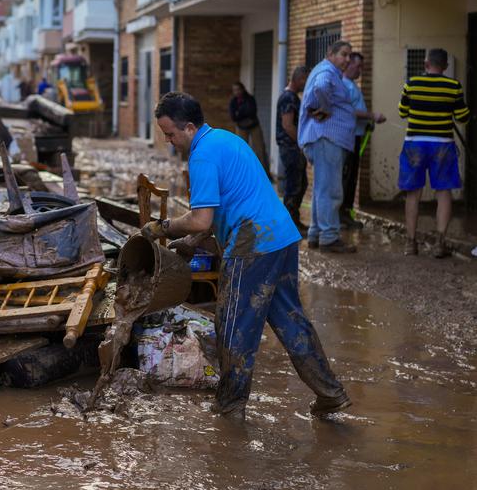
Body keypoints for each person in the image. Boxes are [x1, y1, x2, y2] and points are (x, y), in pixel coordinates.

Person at [142, 92, 350, 420]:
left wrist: (162, 227)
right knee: (291, 320)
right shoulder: (226, 139)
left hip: (252, 244)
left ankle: (230, 406)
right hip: (281, 237)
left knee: (234, 326)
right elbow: (223, 209)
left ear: (190, 128)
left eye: (170, 134)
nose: (169, 141)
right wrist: (192, 240)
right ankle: (331, 394)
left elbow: (201, 218)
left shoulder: (202, 157)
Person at [397, 48, 471, 258]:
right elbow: (462, 117)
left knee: (413, 193)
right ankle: (440, 243)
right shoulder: (453, 86)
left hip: (414, 145)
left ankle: (410, 244)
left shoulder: (411, 84)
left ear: (426, 63)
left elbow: (402, 112)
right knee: (444, 192)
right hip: (442, 146)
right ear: (445, 66)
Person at [299, 40, 357, 253]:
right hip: (327, 139)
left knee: (321, 189)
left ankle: (316, 233)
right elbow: (321, 87)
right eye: (344, 54)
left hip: (324, 139)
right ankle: (329, 237)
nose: (347, 59)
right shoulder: (327, 71)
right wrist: (325, 107)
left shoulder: (326, 70)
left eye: (349, 56)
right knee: (331, 190)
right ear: (330, 54)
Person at [341, 52, 386, 229]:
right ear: (349, 65)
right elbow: (348, 111)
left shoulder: (352, 85)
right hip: (348, 138)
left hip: (357, 135)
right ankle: (342, 215)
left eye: (362, 67)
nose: (360, 70)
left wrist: (368, 121)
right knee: (347, 176)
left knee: (352, 177)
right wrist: (371, 116)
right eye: (358, 66)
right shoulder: (344, 85)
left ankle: (346, 213)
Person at [276, 66, 310, 233]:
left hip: (291, 147)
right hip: (291, 148)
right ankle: (289, 225)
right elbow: (288, 125)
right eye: (305, 80)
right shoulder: (289, 98)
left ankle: (293, 221)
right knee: (295, 185)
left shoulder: (291, 97)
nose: (306, 84)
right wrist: (301, 143)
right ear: (299, 79)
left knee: (300, 184)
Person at [228, 82, 269, 174]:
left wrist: (239, 112)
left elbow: (252, 112)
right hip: (241, 127)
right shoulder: (233, 102)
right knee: (241, 150)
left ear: (243, 89)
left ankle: (263, 173)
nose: (237, 92)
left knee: (259, 149)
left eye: (238, 89)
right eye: (235, 90)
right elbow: (233, 117)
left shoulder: (250, 99)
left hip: (254, 126)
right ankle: (242, 172)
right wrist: (242, 113)